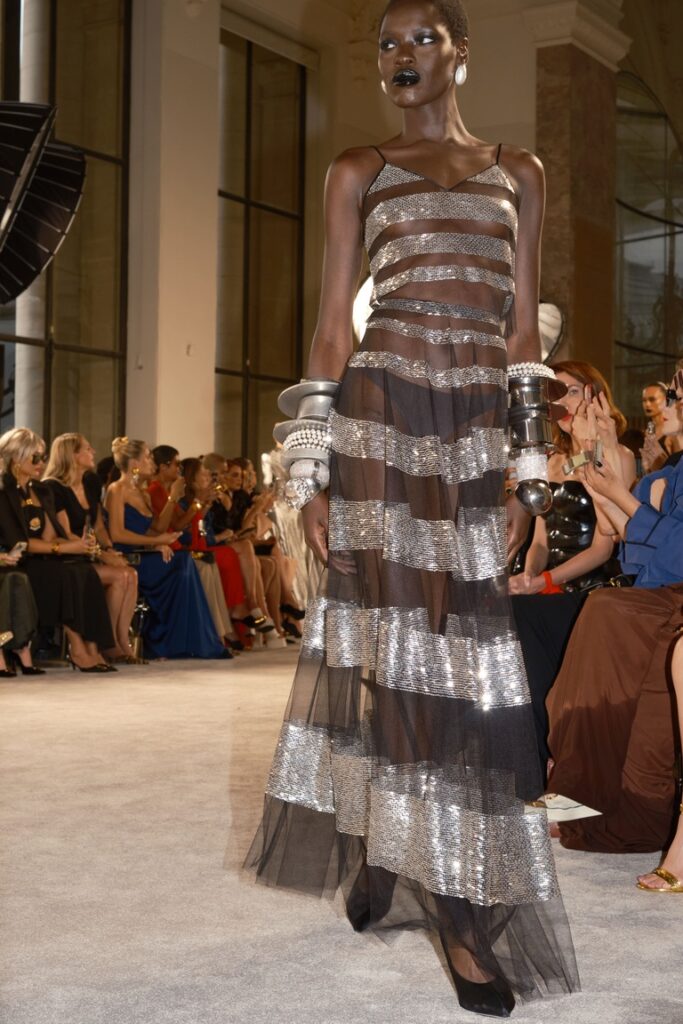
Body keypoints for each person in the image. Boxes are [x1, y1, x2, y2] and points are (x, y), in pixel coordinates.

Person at [246, 0, 579, 1015]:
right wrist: (308, 475)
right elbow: (329, 332)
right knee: (395, 653)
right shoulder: (357, 169)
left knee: (463, 655)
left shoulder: (520, 172)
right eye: (386, 42)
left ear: (459, 55)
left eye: (420, 39)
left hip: (473, 428)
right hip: (381, 421)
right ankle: (456, 913)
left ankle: (392, 849)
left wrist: (529, 474)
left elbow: (524, 335)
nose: (399, 55)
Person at [544, 375, 683, 851]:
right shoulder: (670, 473)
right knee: (606, 615)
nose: (663, 404)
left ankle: (576, 795)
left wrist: (611, 481)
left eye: (675, 396)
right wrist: (594, 459)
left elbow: (670, 551)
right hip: (658, 594)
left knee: (605, 610)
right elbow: (629, 542)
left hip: (667, 596)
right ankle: (578, 794)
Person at [509, 363, 634, 773]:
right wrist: (529, 576)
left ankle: (550, 758)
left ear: (596, 394)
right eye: (553, 394)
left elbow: (604, 546)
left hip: (595, 587)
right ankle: (534, 756)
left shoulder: (618, 455)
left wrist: (544, 582)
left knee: (524, 616)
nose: (561, 402)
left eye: (571, 391)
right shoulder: (550, 463)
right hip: (550, 587)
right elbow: (540, 541)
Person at [0, 428, 114, 672]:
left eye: (43, 457)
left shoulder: (40, 490)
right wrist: (64, 547)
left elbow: (52, 533)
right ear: (16, 457)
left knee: (84, 571)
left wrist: (76, 546)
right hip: (18, 560)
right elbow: (19, 542)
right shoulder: (4, 492)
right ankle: (77, 649)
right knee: (65, 574)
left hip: (42, 556)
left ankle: (94, 648)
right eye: (35, 457)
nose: (41, 463)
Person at [105, 438, 226, 660]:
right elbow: (117, 534)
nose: (152, 461)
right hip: (129, 556)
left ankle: (183, 641)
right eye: (147, 457)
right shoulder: (117, 489)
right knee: (182, 562)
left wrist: (162, 533)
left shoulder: (142, 492)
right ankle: (166, 641)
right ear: (134, 463)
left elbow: (158, 527)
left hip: (145, 553)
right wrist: (156, 541)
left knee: (184, 561)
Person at [44, 433, 140, 663]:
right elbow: (65, 533)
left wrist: (109, 549)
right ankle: (109, 643)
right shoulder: (53, 487)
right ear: (73, 455)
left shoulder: (91, 482)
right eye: (87, 449)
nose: (93, 452)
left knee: (130, 574)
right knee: (120, 577)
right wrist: (102, 555)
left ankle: (121, 640)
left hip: (90, 551)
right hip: (68, 555)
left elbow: (98, 525)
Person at [175, 457, 251, 653]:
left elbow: (204, 531)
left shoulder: (202, 502)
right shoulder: (183, 502)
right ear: (192, 480)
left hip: (201, 549)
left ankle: (229, 623)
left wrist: (207, 505)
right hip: (187, 551)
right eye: (204, 474)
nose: (209, 478)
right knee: (226, 555)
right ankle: (229, 622)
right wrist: (204, 506)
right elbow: (188, 534)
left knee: (233, 554)